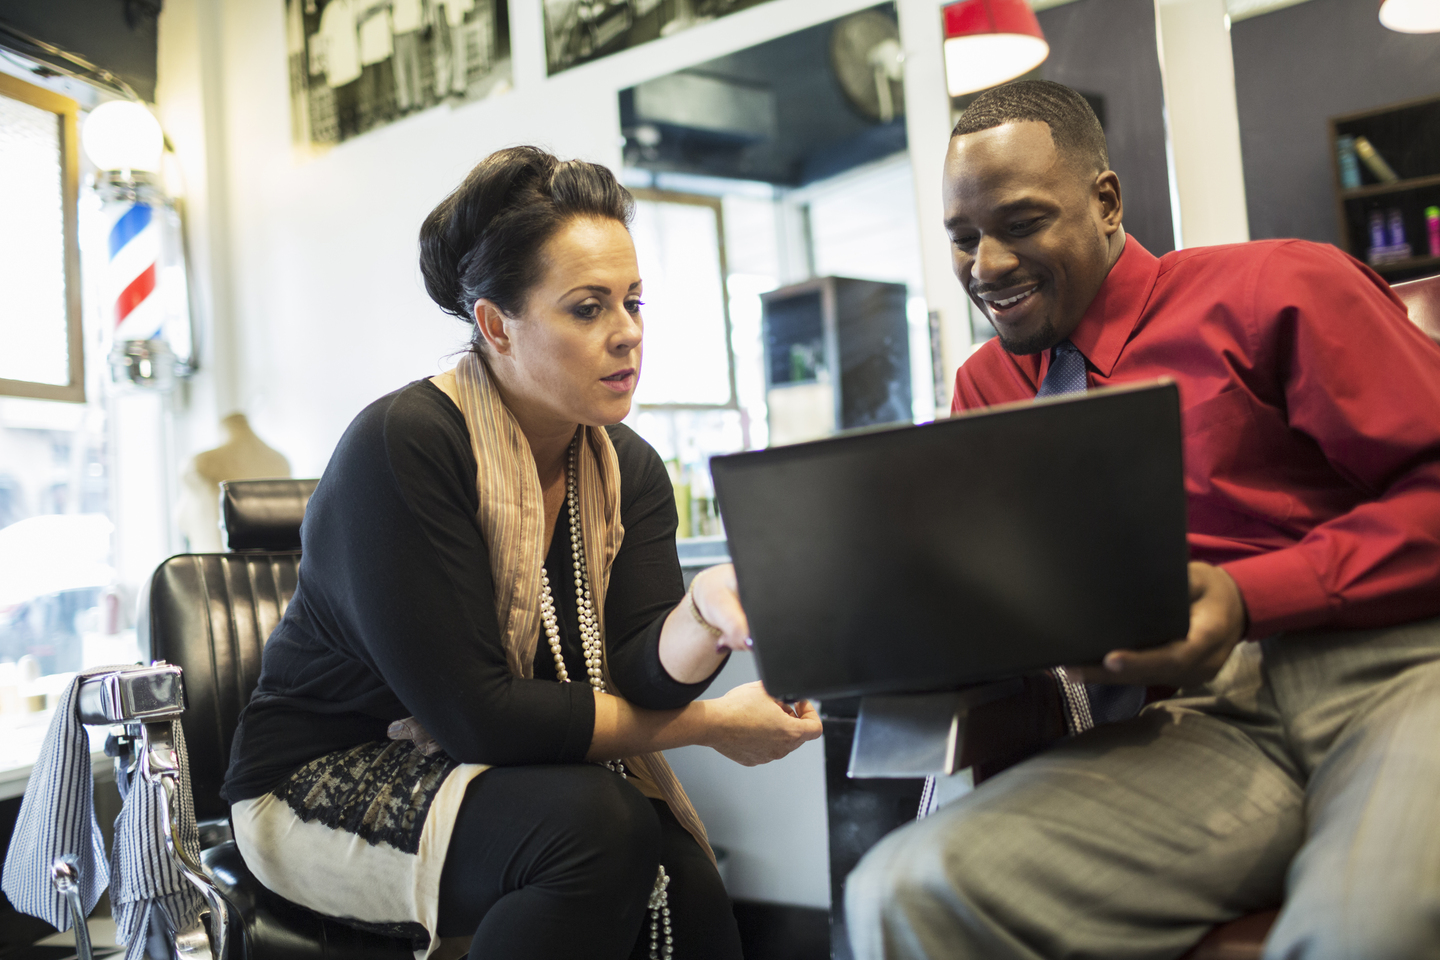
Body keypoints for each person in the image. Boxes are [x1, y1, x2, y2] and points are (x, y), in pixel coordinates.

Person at [845, 80, 1440, 960]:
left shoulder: (1279, 286)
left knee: (1360, 932)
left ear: (1107, 201)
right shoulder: (989, 388)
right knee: (902, 890)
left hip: (1398, 670)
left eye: (1020, 224)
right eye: (964, 239)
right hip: (1210, 722)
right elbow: (1008, 588)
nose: (988, 265)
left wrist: (1242, 597)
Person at [221, 146, 822, 960]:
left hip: (484, 769)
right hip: (317, 781)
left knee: (690, 886)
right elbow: (481, 717)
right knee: (595, 829)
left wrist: (704, 613)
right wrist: (712, 724)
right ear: (496, 325)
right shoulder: (406, 444)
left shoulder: (625, 464)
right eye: (588, 308)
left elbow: (638, 667)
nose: (628, 334)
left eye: (634, 302)